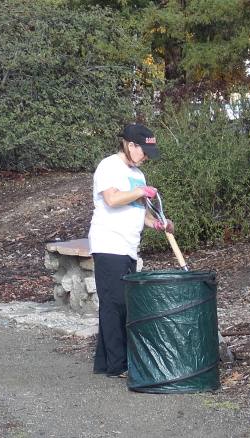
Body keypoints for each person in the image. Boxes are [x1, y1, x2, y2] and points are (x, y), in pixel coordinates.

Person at [88, 123, 174, 378]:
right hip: (108, 242)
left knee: (122, 304)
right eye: (144, 150)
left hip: (128, 246)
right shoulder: (109, 166)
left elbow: (139, 209)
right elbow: (113, 199)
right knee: (114, 304)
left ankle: (104, 363)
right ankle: (118, 365)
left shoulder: (138, 173)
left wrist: (157, 223)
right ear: (130, 144)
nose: (146, 156)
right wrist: (138, 191)